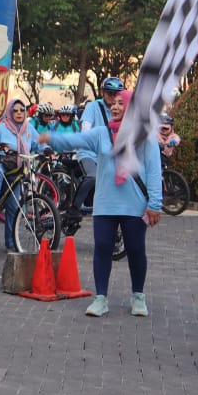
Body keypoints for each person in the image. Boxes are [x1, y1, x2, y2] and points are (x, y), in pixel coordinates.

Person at [40, 91, 162, 316]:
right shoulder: (102, 134)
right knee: (103, 248)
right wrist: (51, 138)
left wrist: (155, 203)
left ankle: (138, 296)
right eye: (113, 104)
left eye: (121, 103)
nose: (114, 107)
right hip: (105, 203)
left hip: (134, 204)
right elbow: (76, 140)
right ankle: (100, 299)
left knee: (136, 250)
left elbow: (154, 170)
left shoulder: (145, 136)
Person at [66, 77, 126, 235]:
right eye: (110, 93)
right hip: (89, 153)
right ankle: (74, 208)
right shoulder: (93, 107)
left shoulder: (122, 110)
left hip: (110, 156)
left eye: (117, 93)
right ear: (103, 93)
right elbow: (86, 131)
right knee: (93, 176)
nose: (113, 97)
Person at [0, 99, 39, 250]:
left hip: (17, 171)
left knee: (13, 206)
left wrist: (48, 149)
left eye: (22, 110)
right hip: (0, 168)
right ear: (9, 112)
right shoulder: (1, 128)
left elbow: (38, 143)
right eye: (15, 110)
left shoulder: (28, 128)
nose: (19, 113)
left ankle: (11, 242)